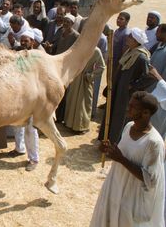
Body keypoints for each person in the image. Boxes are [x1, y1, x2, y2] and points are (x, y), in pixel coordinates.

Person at [90, 91, 165, 227]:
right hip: (115, 187)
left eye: (133, 107)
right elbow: (121, 153)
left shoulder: (154, 142)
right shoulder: (128, 126)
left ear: (145, 113)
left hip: (132, 198)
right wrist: (106, 150)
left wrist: (121, 159)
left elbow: (151, 179)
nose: (127, 108)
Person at [99, 28, 153, 144]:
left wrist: (133, 86)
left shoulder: (141, 57)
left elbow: (149, 77)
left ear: (136, 40)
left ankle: (116, 143)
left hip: (126, 96)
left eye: (130, 37)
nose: (128, 38)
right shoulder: (130, 51)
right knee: (112, 113)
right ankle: (107, 139)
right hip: (118, 91)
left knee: (120, 118)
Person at [8, 30, 40, 171]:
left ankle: (33, 159)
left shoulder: (38, 57)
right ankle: (19, 148)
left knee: (30, 129)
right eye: (21, 41)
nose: (23, 43)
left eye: (26, 41)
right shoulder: (19, 55)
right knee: (16, 124)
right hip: (19, 96)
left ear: (32, 42)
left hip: (33, 99)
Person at [64, 47, 105, 133]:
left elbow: (101, 66)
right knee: (72, 100)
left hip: (85, 81)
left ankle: (80, 127)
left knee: (83, 103)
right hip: (75, 78)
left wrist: (90, 76)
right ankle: (69, 124)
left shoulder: (96, 50)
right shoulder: (79, 46)